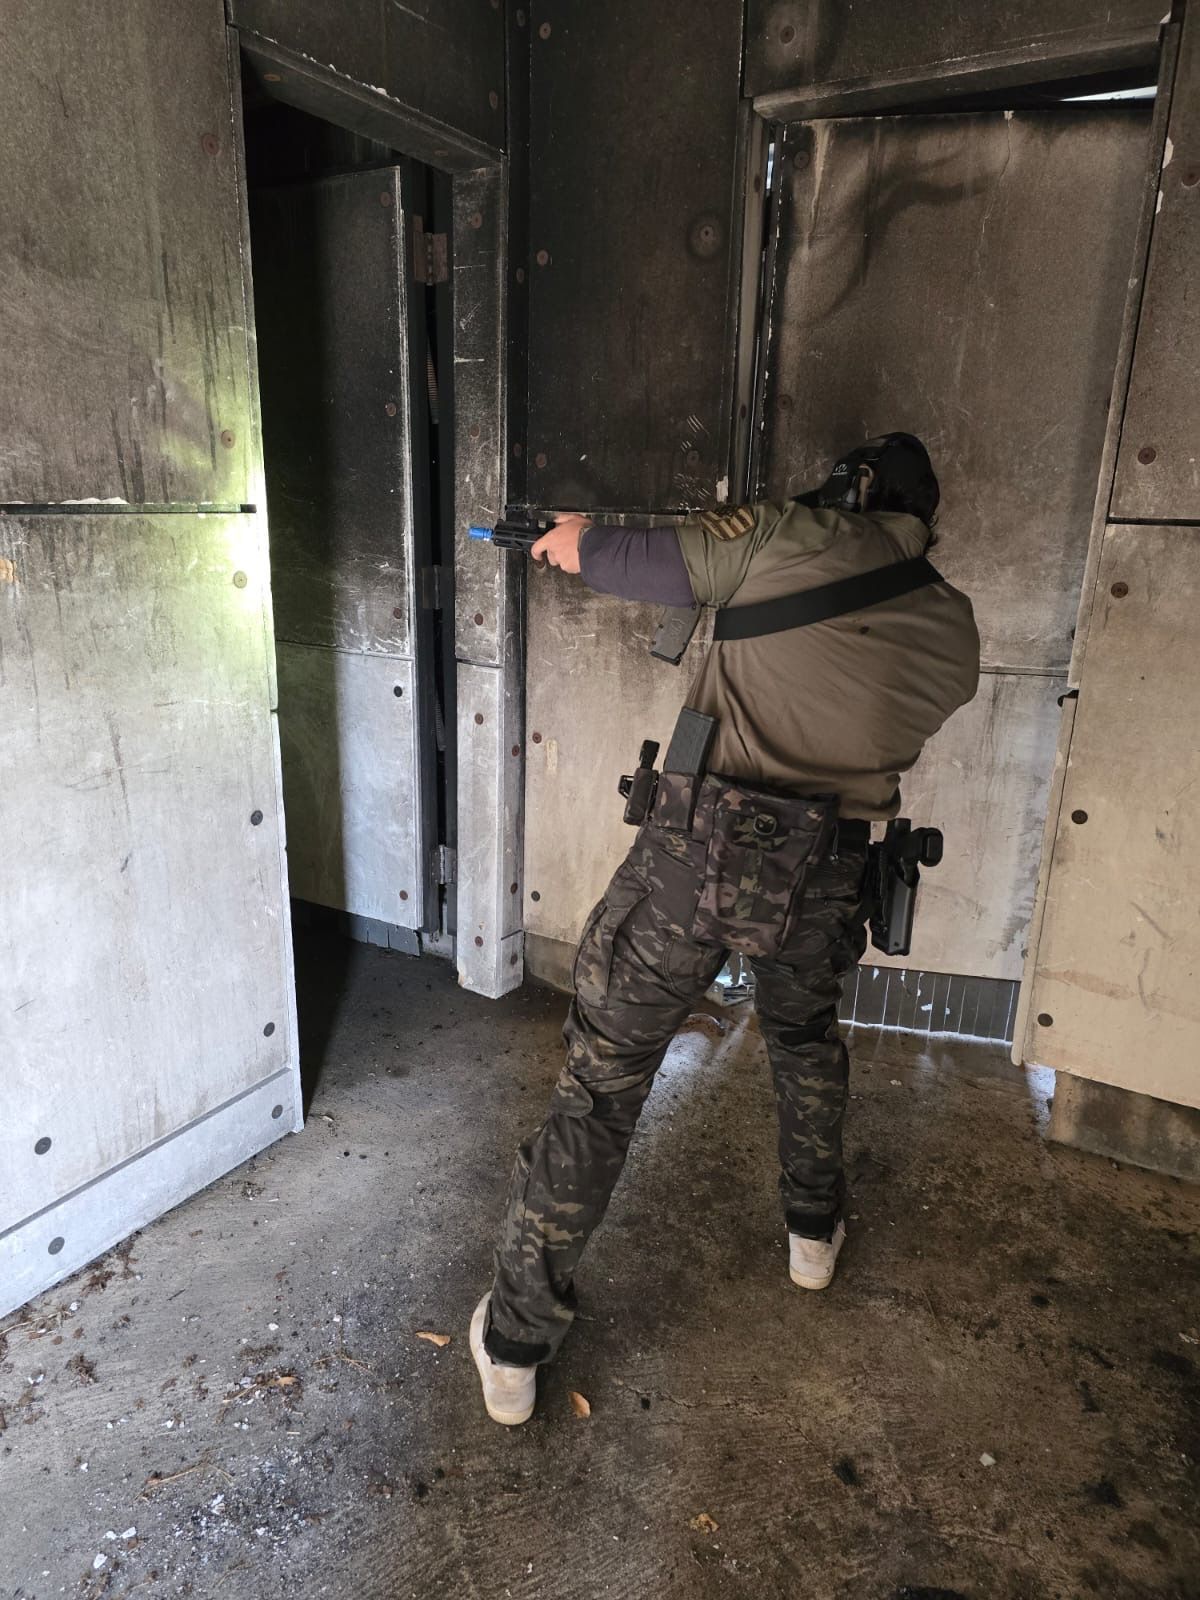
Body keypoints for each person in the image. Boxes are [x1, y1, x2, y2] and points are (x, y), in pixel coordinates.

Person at [470, 433, 981, 1425]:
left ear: (853, 491)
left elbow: (619, 556)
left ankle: (515, 1342)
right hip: (826, 873)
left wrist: (559, 536)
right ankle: (811, 1241)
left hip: (694, 859)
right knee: (803, 1044)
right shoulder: (952, 627)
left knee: (605, 1083)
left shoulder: (787, 539)